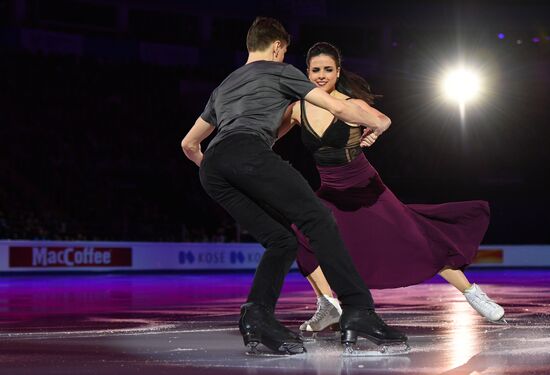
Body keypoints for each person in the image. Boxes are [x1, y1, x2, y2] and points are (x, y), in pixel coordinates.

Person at [181, 18, 407, 355]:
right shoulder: (279, 70)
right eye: (284, 50)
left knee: (281, 240)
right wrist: (381, 122)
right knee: (318, 220)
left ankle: (256, 314)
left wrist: (225, 169)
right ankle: (359, 310)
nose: (283, 54)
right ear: (276, 48)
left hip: (213, 167)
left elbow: (188, 145)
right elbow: (336, 106)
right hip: (248, 153)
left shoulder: (225, 85)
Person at [278, 42, 505, 333]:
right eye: (315, 70)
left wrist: (373, 132)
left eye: (328, 69)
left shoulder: (352, 104)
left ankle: (473, 293)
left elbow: (384, 120)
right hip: (332, 194)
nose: (321, 75)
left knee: (418, 241)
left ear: (337, 72)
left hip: (367, 189)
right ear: (307, 73)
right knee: (300, 235)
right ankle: (327, 305)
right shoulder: (298, 110)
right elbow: (269, 136)